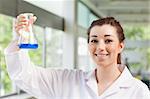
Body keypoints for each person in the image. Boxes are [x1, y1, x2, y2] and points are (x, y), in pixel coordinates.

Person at [4, 14, 150, 99]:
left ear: (120, 46)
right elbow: (24, 76)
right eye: (94, 40)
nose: (100, 47)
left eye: (108, 40)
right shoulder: (66, 81)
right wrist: (21, 38)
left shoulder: (139, 91)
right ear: (88, 45)